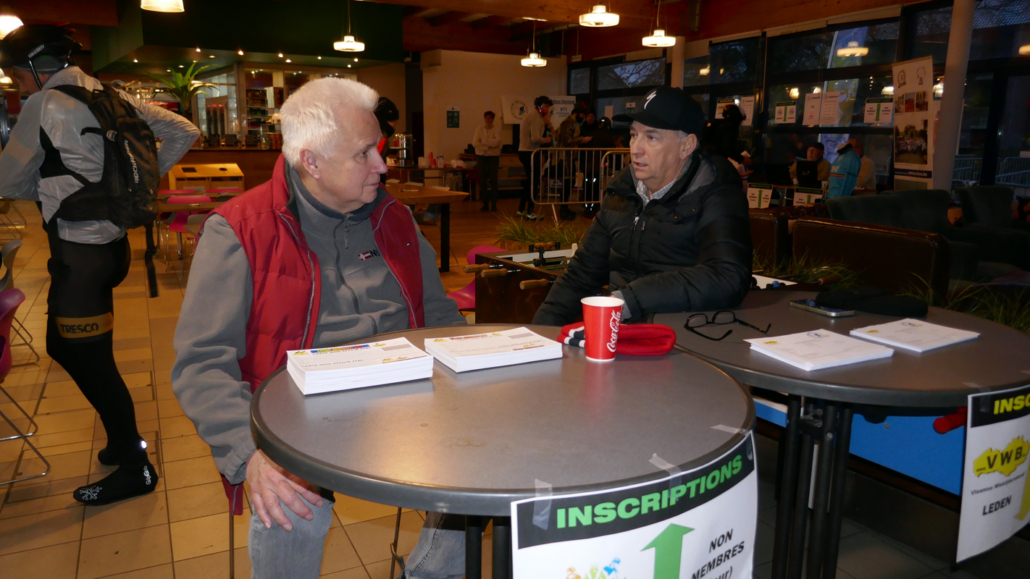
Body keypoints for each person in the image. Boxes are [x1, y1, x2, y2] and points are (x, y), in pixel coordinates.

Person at [171, 77, 468, 579]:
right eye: (364, 154)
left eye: (379, 149)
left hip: (411, 397)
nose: (382, 165)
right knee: (287, 504)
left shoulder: (395, 217)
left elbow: (440, 317)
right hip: (299, 415)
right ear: (311, 162)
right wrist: (251, 451)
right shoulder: (240, 230)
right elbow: (201, 363)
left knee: (488, 468)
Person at [0, 25, 200, 505]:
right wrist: (134, 185)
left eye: (16, 74)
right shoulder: (109, 93)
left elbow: (8, 180)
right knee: (64, 347)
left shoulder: (42, 104)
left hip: (80, 255)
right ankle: (120, 440)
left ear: (35, 68)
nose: (16, 84)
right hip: (109, 250)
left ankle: (135, 466)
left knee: (92, 362)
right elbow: (183, 130)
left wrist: (50, 192)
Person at [532, 87, 752, 326]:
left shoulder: (716, 193)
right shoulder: (621, 191)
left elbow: (727, 276)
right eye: (633, 135)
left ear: (686, 146)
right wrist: (538, 334)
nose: (635, 148)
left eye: (651, 137)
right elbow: (581, 274)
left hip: (681, 339)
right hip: (620, 334)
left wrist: (629, 300)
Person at [517, 95, 554, 220]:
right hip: (530, 152)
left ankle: (521, 210)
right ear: (539, 106)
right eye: (546, 106)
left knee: (530, 182)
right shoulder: (535, 117)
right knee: (534, 182)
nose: (547, 109)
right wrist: (546, 140)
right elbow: (535, 138)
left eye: (548, 107)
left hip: (525, 151)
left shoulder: (533, 116)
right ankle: (530, 212)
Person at [473, 110, 502, 212]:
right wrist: (488, 145)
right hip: (481, 156)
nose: (488, 120)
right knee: (482, 180)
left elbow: (497, 142)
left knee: (493, 180)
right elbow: (475, 143)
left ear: (493, 119)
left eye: (490, 118)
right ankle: (485, 204)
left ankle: (494, 204)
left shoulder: (497, 129)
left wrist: (484, 141)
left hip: (493, 157)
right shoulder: (479, 129)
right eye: (486, 118)